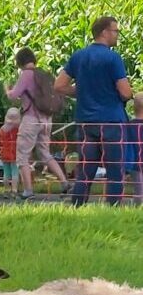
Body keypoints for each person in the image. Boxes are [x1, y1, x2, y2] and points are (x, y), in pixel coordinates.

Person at [55, 16, 133, 206]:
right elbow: (125, 92)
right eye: (115, 31)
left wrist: (81, 92)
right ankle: (113, 208)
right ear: (104, 32)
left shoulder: (78, 56)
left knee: (85, 169)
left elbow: (59, 85)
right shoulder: (113, 57)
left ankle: (77, 205)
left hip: (85, 121)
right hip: (111, 121)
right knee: (115, 170)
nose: (117, 35)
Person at [7, 48, 73, 200]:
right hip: (46, 120)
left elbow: (14, 95)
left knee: (22, 156)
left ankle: (28, 190)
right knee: (45, 153)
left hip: (31, 119)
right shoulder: (43, 74)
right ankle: (64, 183)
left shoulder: (26, 74)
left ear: (20, 62)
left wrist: (7, 90)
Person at [0, 107, 21, 197]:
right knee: (15, 172)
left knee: (6, 173)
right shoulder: (18, 129)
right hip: (15, 153)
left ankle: (6, 190)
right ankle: (14, 190)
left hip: (4, 154)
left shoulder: (2, 129)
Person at [124, 93, 143, 204]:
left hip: (135, 162)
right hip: (136, 162)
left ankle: (138, 208)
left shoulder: (128, 125)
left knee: (139, 189)